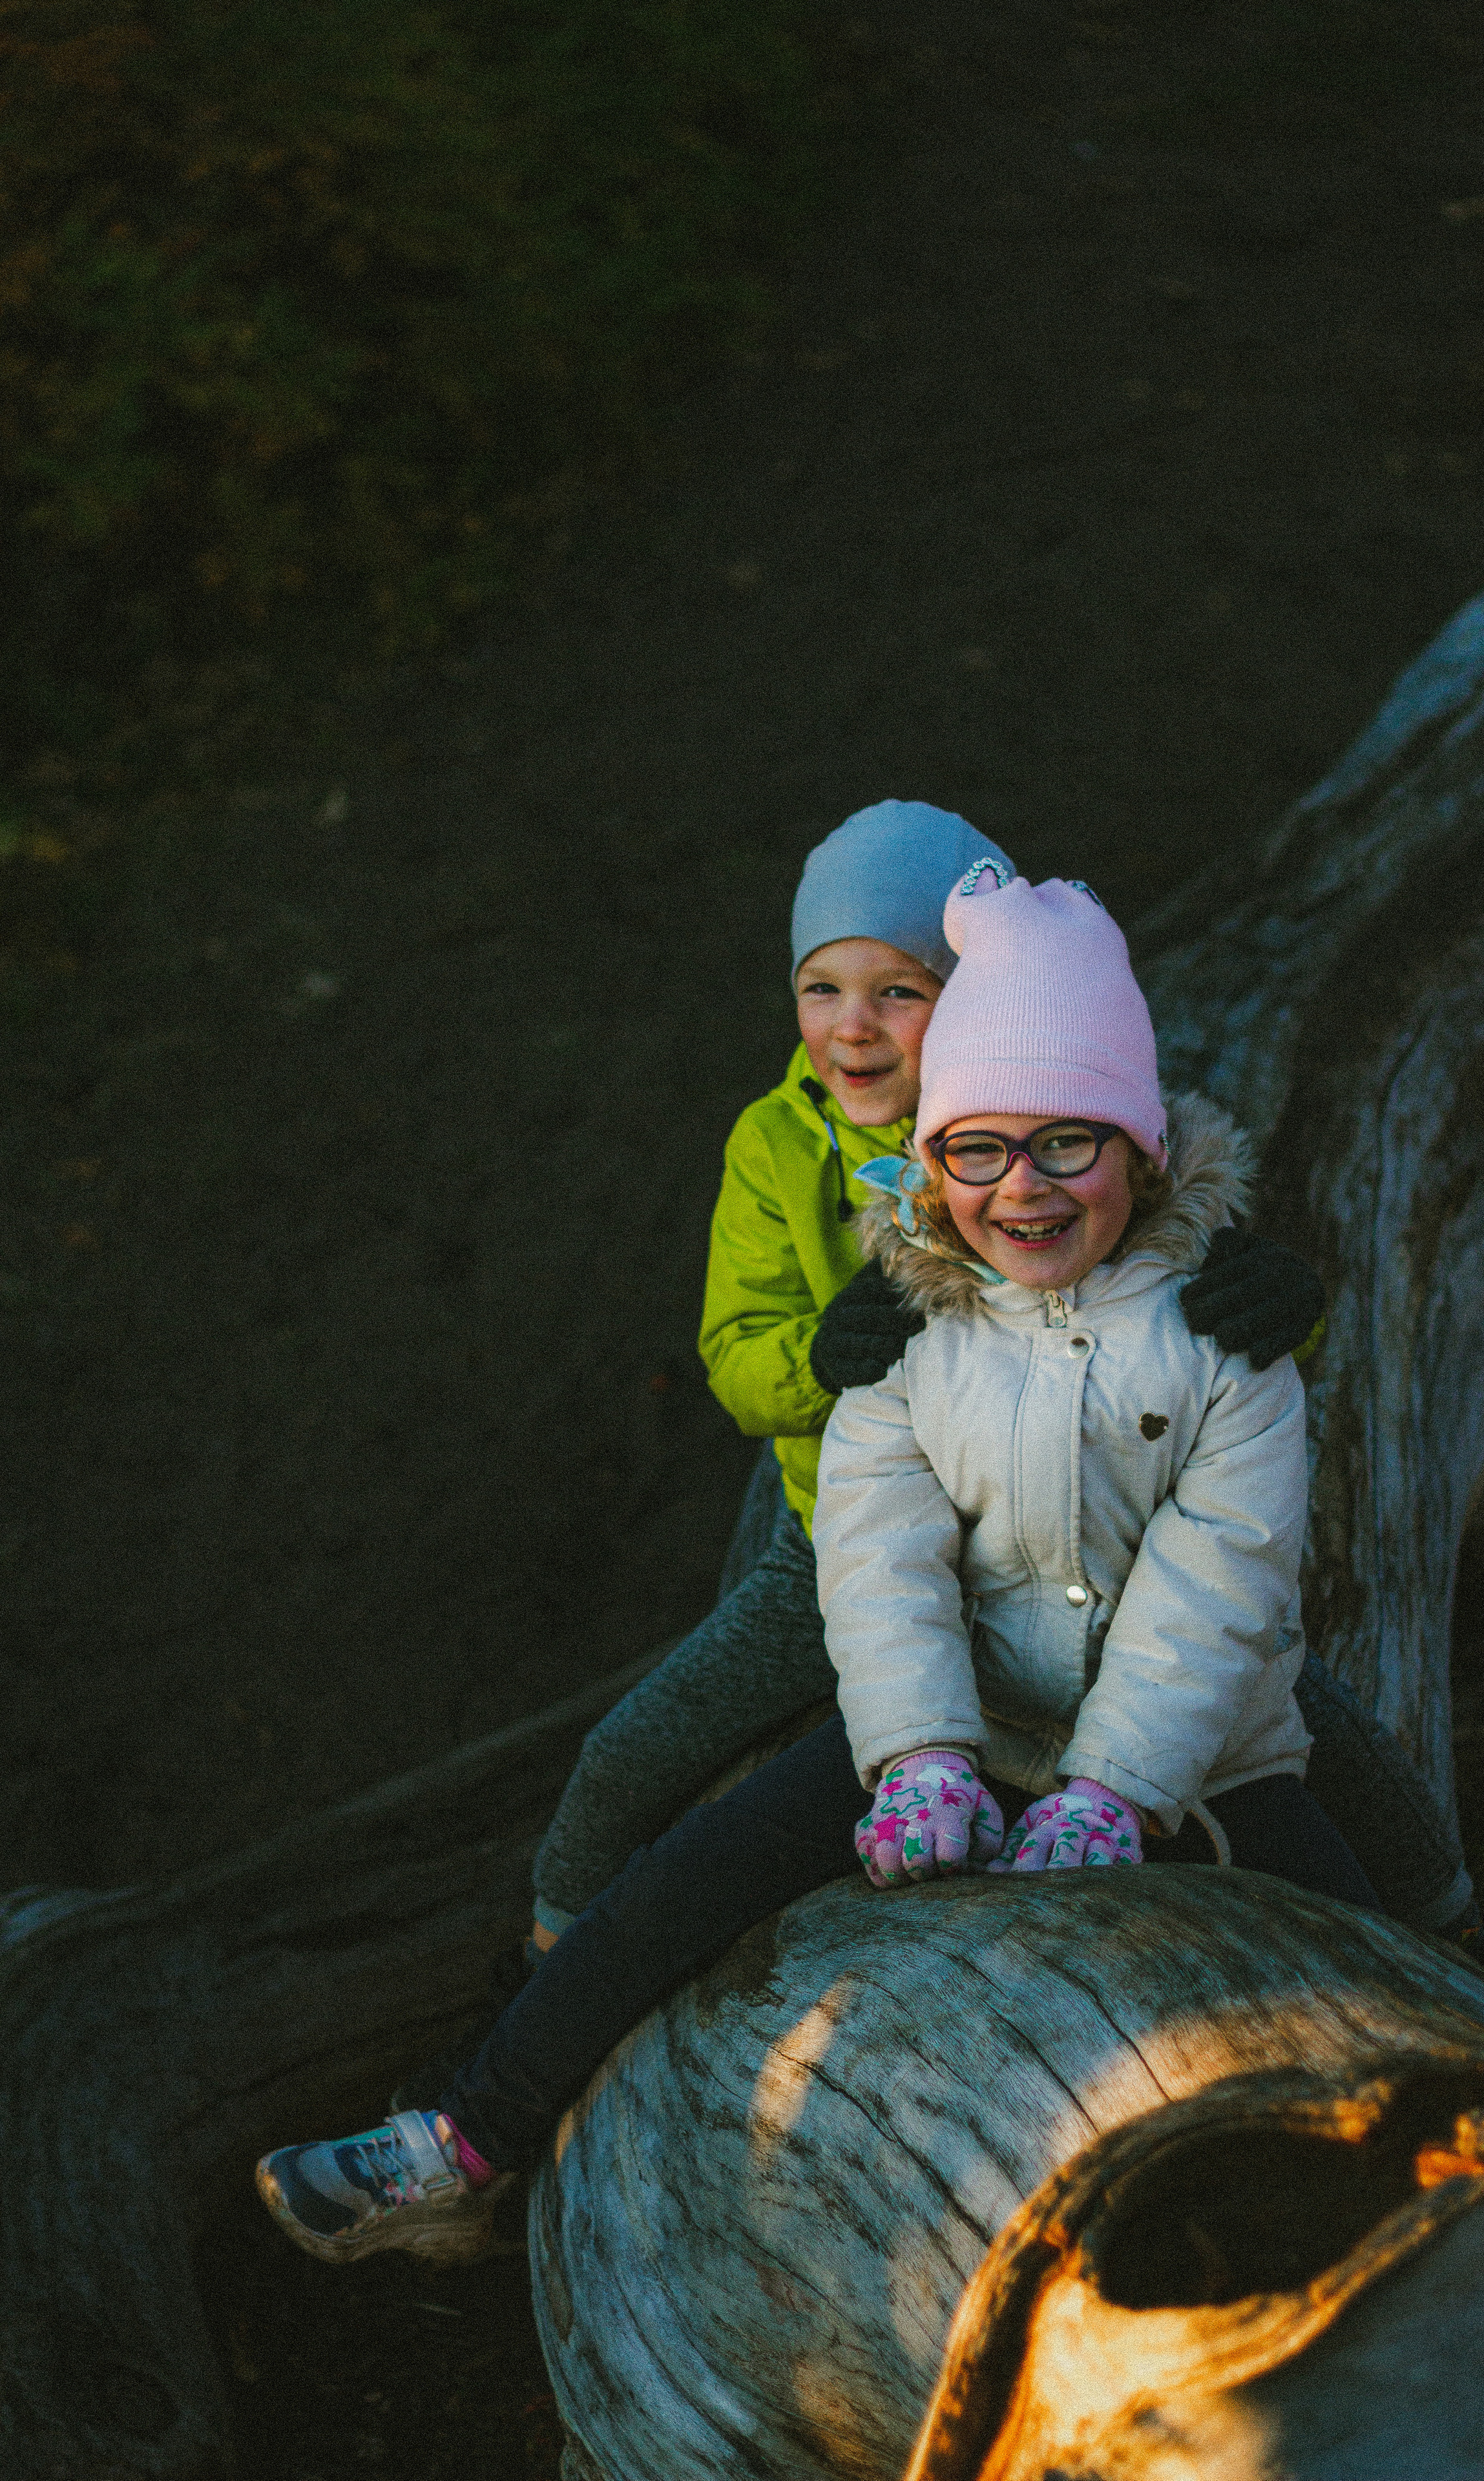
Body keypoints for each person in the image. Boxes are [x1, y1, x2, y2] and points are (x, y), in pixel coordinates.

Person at [255, 866, 1377, 2268]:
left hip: (1198, 1755)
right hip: (955, 1720)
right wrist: (916, 1751)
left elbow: (1220, 1586)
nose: (1019, 1186)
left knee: (1380, 1945)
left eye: (1066, 1144)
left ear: (1141, 1153)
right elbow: (878, 1557)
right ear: (932, 1162)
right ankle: (466, 2138)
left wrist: (1113, 1786)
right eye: (977, 1149)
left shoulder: (1229, 1348)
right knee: (681, 1879)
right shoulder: (903, 1343)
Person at [519, 801, 1327, 1959]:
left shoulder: (1067, 1106)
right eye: (820, 989)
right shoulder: (778, 1147)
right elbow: (739, 1361)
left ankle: (1447, 1924)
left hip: (1097, 1538)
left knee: (1331, 1738)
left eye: (900, 990)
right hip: (847, 1538)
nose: (853, 1030)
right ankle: (555, 1941)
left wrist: (1287, 1310)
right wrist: (823, 1357)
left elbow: (1192, 1316)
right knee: (638, 1751)